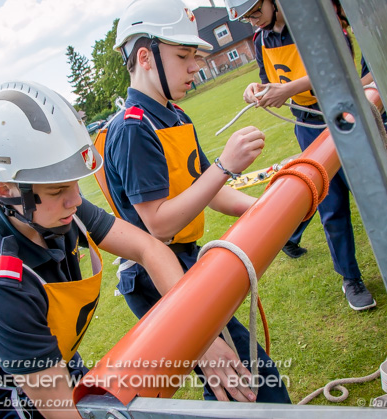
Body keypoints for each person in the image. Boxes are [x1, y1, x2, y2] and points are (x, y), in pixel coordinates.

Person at [0, 81, 188, 418]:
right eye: (58, 189)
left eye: (74, 183)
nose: (75, 200)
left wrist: (200, 338)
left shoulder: (52, 211)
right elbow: (58, 409)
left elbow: (149, 249)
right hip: (10, 401)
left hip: (56, 361)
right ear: (4, 189)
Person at [99, 0, 290, 403]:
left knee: (232, 375)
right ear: (146, 57)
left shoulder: (175, 115)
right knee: (246, 375)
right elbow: (159, 224)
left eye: (196, 56)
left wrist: (262, 207)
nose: (196, 67)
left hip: (185, 261)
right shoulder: (133, 128)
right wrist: (225, 164)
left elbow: (209, 189)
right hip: (156, 275)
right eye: (184, 56)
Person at [228, 0, 376, 310]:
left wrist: (289, 89)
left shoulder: (313, 22)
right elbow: (270, 79)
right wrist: (258, 88)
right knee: (331, 205)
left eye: (255, 12)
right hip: (307, 124)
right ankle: (350, 277)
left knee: (375, 192)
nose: (253, 21)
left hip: (343, 115)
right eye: (247, 17)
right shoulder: (261, 40)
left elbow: (341, 67)